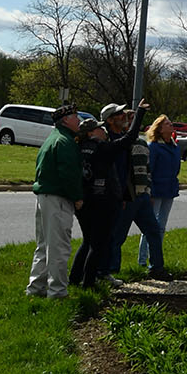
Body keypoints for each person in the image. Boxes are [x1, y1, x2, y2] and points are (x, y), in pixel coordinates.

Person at [99, 101, 167, 278]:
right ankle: (111, 271)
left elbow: (146, 168)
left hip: (141, 196)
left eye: (126, 116)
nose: (124, 118)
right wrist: (140, 113)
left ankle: (157, 268)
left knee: (153, 231)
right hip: (126, 196)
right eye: (120, 115)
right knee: (118, 236)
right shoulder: (112, 141)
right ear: (110, 120)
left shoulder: (136, 143)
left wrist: (148, 189)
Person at [26, 102, 83, 299]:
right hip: (58, 198)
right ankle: (57, 291)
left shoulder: (53, 139)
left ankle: (36, 287)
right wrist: (77, 197)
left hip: (44, 197)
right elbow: (69, 175)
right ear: (66, 120)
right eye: (76, 117)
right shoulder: (65, 143)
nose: (79, 121)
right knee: (59, 247)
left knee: (43, 245)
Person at [70, 119, 120, 287]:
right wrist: (140, 114)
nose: (103, 129)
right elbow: (126, 141)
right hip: (100, 201)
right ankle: (89, 283)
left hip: (84, 200)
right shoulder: (100, 148)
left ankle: (75, 278)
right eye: (100, 128)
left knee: (87, 242)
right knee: (97, 245)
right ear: (91, 133)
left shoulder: (80, 148)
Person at [141, 114, 181, 271]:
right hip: (156, 190)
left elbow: (176, 168)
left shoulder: (175, 146)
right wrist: (149, 191)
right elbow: (149, 169)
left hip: (169, 190)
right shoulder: (154, 147)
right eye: (167, 124)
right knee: (150, 226)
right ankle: (142, 259)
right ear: (159, 128)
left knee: (162, 226)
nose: (171, 126)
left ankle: (155, 256)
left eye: (171, 123)